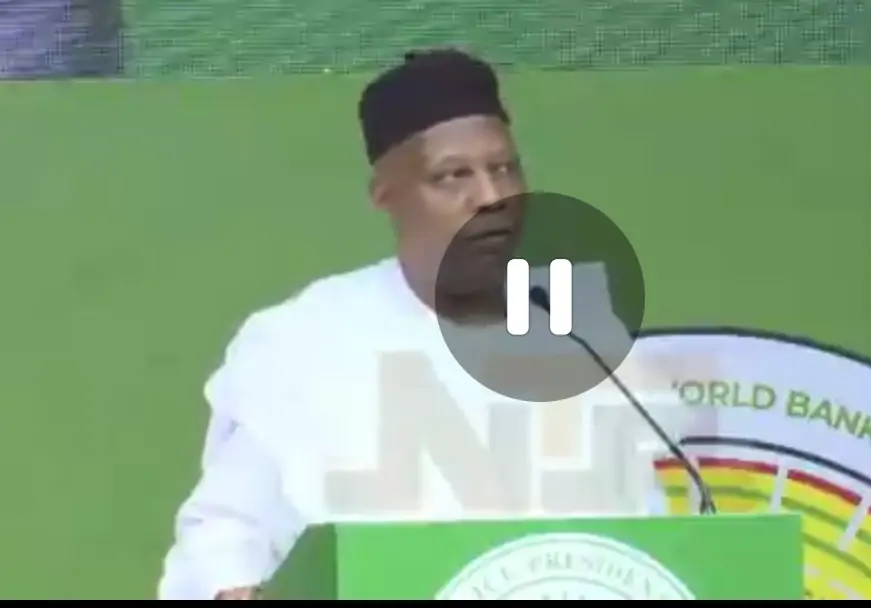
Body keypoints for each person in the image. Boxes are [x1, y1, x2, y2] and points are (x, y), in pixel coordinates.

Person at [158, 49, 680, 600]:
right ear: (385, 195)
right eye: (453, 176)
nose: (492, 197)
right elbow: (227, 533)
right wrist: (231, 588)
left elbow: (644, 531)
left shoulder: (576, 328)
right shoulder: (303, 339)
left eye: (505, 169)